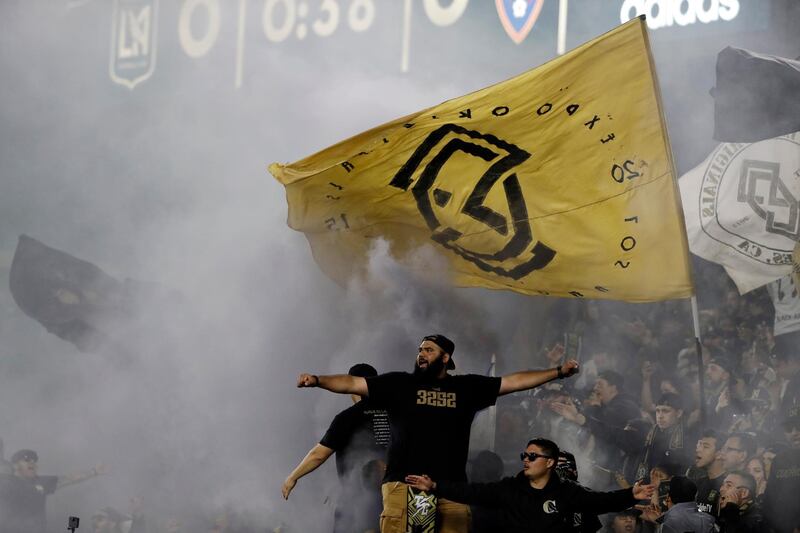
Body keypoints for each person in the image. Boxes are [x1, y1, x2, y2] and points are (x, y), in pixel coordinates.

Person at [295, 334, 579, 533]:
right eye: (420, 349)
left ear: (446, 357)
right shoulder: (399, 384)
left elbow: (514, 381)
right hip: (403, 484)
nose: (421, 353)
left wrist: (557, 372)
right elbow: (352, 383)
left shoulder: (466, 388)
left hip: (450, 488)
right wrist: (318, 380)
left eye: (429, 349)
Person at [403, 438, 653, 533]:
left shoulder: (567, 492)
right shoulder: (509, 488)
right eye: (525, 455)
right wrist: (435, 485)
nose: (526, 459)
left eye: (533, 456)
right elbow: (473, 492)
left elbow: (601, 502)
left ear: (550, 463)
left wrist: (631, 494)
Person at [283, 363, 389, 533]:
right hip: (394, 502)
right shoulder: (397, 413)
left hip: (355, 504)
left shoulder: (348, 417)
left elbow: (319, 454)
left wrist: (292, 477)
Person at [0, 449, 107, 533]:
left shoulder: (41, 482)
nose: (32, 463)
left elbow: (68, 478)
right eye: (27, 460)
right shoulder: (7, 481)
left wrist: (94, 471)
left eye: (34, 461)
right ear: (15, 465)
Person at [691, 429, 726, 516]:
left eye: (706, 447)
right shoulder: (698, 483)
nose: (698, 450)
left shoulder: (727, 486)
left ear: (719, 454)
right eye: (699, 445)